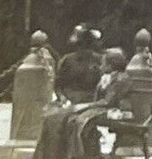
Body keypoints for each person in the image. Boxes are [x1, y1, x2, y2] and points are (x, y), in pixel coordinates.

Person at [34, 26, 103, 159]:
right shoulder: (68, 60)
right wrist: (62, 98)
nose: (82, 48)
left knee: (68, 120)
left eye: (85, 45)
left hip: (89, 101)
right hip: (68, 99)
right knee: (50, 119)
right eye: (80, 45)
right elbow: (58, 85)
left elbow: (102, 87)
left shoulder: (99, 61)